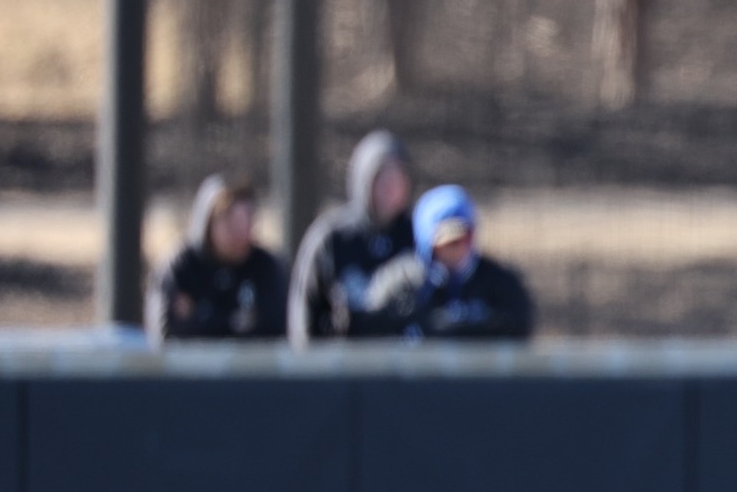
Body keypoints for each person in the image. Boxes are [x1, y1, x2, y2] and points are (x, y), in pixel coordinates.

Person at [288, 130, 416, 345]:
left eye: (398, 176)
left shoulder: (417, 236)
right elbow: (304, 317)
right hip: (340, 370)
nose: (391, 187)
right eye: (382, 176)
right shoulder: (331, 238)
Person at [359, 184, 534, 340]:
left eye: (462, 236)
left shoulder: (500, 285)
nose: (455, 247)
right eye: (444, 239)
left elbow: (517, 330)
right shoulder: (399, 283)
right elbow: (372, 332)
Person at [146, 175, 288, 343]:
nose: (240, 233)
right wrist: (238, 321)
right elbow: (167, 330)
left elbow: (276, 328)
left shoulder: (267, 268)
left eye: (246, 222)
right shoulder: (180, 268)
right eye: (230, 223)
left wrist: (201, 315)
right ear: (207, 223)